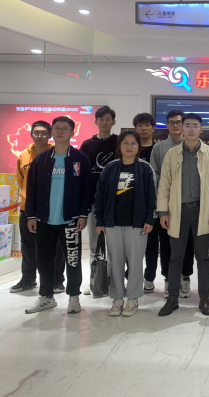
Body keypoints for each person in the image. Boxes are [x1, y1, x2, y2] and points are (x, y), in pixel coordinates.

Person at [24, 116, 92, 314]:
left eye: (64, 128)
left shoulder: (80, 159)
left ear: (72, 133)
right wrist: (31, 215)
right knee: (44, 260)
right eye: (57, 128)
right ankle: (46, 297)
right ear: (52, 132)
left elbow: (87, 189)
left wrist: (83, 214)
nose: (60, 131)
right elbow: (31, 188)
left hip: (71, 219)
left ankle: (74, 297)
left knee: (73, 260)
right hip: (44, 220)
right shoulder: (41, 159)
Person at [157, 112, 209, 317]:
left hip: (202, 210)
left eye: (195, 125)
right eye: (187, 125)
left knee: (203, 257)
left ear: (201, 129)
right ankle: (172, 298)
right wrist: (163, 211)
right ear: (182, 128)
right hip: (178, 210)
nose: (191, 129)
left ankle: (204, 298)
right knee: (176, 257)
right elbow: (164, 184)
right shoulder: (172, 154)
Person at [95, 130, 156, 317]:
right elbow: (100, 195)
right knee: (116, 262)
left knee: (136, 261)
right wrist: (99, 220)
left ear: (138, 146)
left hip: (137, 224)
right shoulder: (110, 168)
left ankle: (133, 298)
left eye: (133, 143)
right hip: (113, 223)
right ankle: (117, 297)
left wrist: (150, 219)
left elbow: (152, 196)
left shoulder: (145, 168)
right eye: (126, 143)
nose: (129, 147)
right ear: (119, 146)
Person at [12, 120, 66, 294]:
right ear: (31, 135)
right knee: (28, 246)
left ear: (50, 134)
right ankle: (28, 279)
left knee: (56, 246)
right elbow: (22, 181)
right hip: (28, 208)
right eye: (36, 133)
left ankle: (57, 280)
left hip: (52, 208)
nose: (40, 136)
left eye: (44, 133)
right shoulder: (23, 156)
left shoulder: (58, 153)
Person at [149, 109, 195, 298]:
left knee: (188, 243)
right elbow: (154, 175)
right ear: (167, 125)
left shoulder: (192, 145)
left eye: (179, 122)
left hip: (188, 204)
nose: (175, 126)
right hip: (167, 204)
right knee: (167, 243)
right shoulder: (159, 148)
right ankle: (168, 279)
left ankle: (185, 277)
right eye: (172, 122)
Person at [80, 105, 118, 295]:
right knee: (94, 243)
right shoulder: (87, 145)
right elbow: (82, 174)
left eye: (108, 119)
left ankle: (112, 281)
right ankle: (94, 281)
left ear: (113, 122)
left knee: (114, 245)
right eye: (101, 119)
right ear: (95, 121)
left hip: (116, 201)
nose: (104, 122)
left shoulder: (119, 142)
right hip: (94, 200)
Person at [133, 112, 160, 294]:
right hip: (132, 204)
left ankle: (149, 278)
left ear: (153, 128)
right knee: (132, 245)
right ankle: (132, 277)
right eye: (140, 125)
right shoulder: (130, 148)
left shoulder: (158, 149)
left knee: (151, 244)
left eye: (147, 125)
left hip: (154, 203)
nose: (143, 128)